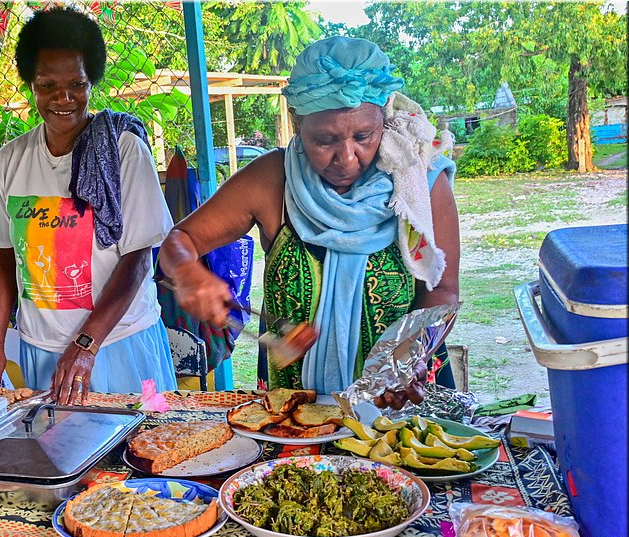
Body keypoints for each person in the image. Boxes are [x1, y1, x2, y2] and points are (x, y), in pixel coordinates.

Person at [158, 37, 460, 409]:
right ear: (297, 122)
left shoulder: (419, 180)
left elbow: (443, 291)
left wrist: (411, 353)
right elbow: (181, 239)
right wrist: (187, 272)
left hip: (399, 399)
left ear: (384, 119)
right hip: (297, 408)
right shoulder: (272, 179)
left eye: (364, 136)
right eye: (324, 140)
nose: (346, 157)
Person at [0, 7, 176, 405]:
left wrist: (86, 343)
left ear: (91, 81)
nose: (63, 98)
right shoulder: (10, 160)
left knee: (145, 439)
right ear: (31, 85)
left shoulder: (124, 151)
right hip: (42, 349)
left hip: (119, 342)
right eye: (47, 85)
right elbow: (4, 256)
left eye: (76, 85)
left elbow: (138, 258)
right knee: (58, 442)